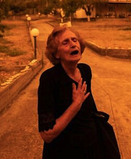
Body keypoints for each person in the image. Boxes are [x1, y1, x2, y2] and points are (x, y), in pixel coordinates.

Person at [38, 26, 106, 158]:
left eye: (74, 40)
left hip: (92, 148)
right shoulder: (49, 79)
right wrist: (75, 105)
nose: (73, 44)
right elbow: (47, 135)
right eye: (65, 42)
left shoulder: (85, 70)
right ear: (56, 54)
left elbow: (89, 113)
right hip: (64, 152)